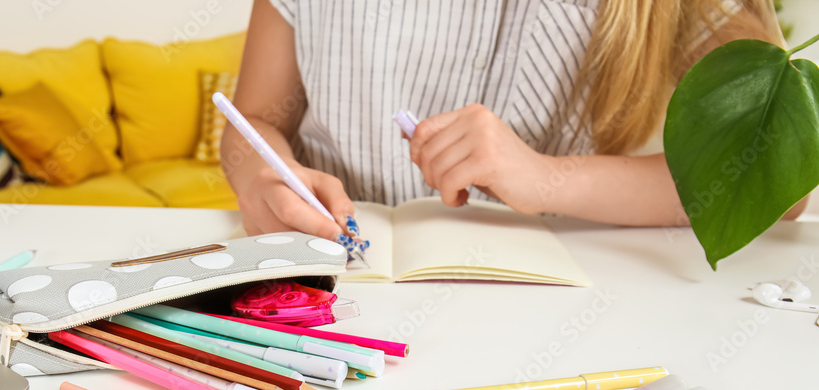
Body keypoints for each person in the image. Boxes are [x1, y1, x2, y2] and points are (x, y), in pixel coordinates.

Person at [220, 0, 802, 240]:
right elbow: (253, 120)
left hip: (552, 286)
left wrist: (549, 177)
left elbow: (772, 177)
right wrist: (264, 178)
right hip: (329, 267)